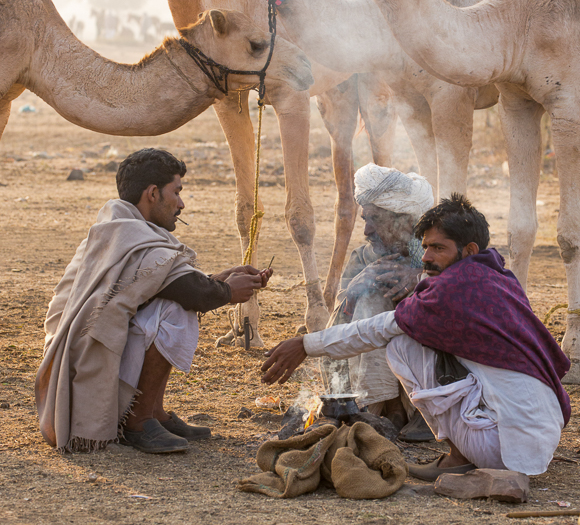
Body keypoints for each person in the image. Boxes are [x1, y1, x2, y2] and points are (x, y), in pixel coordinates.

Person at [262, 194, 570, 479]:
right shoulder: (500, 277)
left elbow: (376, 329)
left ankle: (458, 455)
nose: (426, 257)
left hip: (501, 450)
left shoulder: (450, 290)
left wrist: (305, 344)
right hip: (543, 439)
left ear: (470, 250)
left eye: (438, 248)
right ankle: (466, 444)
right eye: (424, 247)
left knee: (401, 344)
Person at [36, 148, 272, 454]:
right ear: (152, 193)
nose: (182, 204)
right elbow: (188, 292)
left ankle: (155, 413)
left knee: (173, 303)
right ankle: (137, 421)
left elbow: (159, 284)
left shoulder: (116, 227)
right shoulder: (132, 236)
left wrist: (221, 279)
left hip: (80, 362)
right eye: (177, 192)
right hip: (84, 369)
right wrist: (226, 292)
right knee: (176, 311)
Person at [323, 164, 433, 435]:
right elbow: (336, 321)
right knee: (370, 296)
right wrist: (354, 289)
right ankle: (384, 409)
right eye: (365, 220)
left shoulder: (438, 252)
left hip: (427, 368)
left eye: (376, 219)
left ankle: (423, 410)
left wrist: (419, 280)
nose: (367, 231)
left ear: (404, 221)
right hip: (374, 383)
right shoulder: (363, 258)